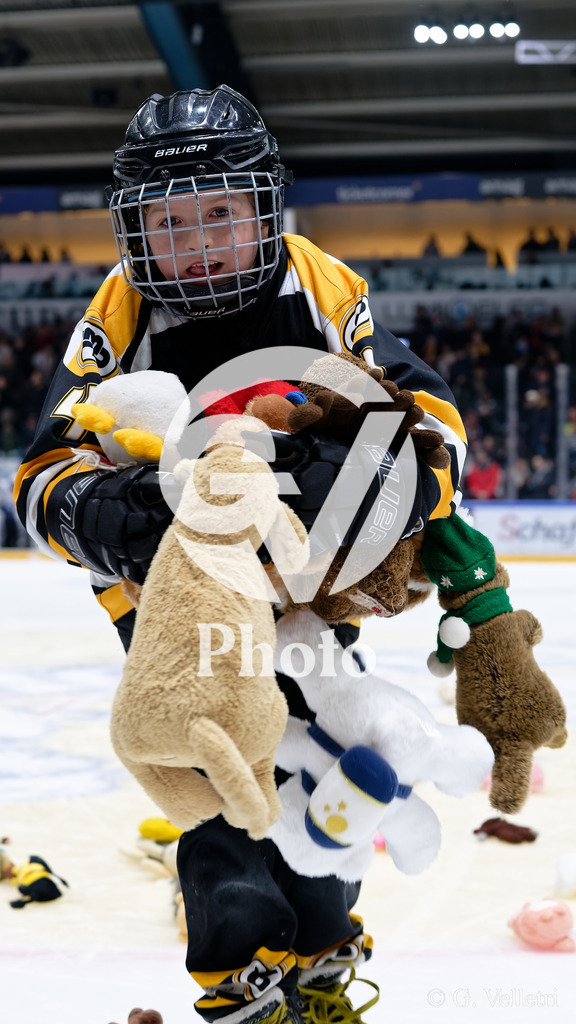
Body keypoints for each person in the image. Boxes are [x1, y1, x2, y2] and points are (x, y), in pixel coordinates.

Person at [14, 85, 467, 1024]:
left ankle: (324, 947)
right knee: (214, 758)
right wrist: (127, 513)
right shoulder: (120, 309)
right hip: (179, 597)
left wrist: (365, 478)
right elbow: (41, 476)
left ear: (265, 206)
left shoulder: (321, 282)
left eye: (220, 214)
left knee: (329, 753)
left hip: (303, 581)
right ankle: (240, 970)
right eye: (172, 223)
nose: (199, 242)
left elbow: (429, 421)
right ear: (134, 232)